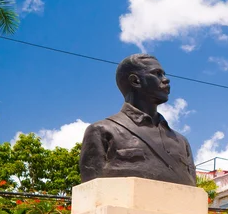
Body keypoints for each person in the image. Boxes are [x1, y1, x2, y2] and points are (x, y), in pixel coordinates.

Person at [80, 54, 196, 186]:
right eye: (157, 74)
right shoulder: (102, 131)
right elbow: (93, 187)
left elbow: (192, 184)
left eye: (164, 74)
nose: (166, 80)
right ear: (135, 81)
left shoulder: (181, 142)